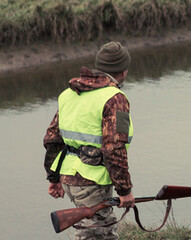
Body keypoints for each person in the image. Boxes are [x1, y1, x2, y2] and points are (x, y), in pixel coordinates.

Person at [44, 41, 135, 239]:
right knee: (95, 234)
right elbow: (114, 148)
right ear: (123, 70)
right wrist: (124, 190)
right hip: (91, 181)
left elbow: (52, 139)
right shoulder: (116, 98)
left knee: (98, 231)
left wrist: (54, 177)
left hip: (69, 178)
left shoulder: (69, 94)